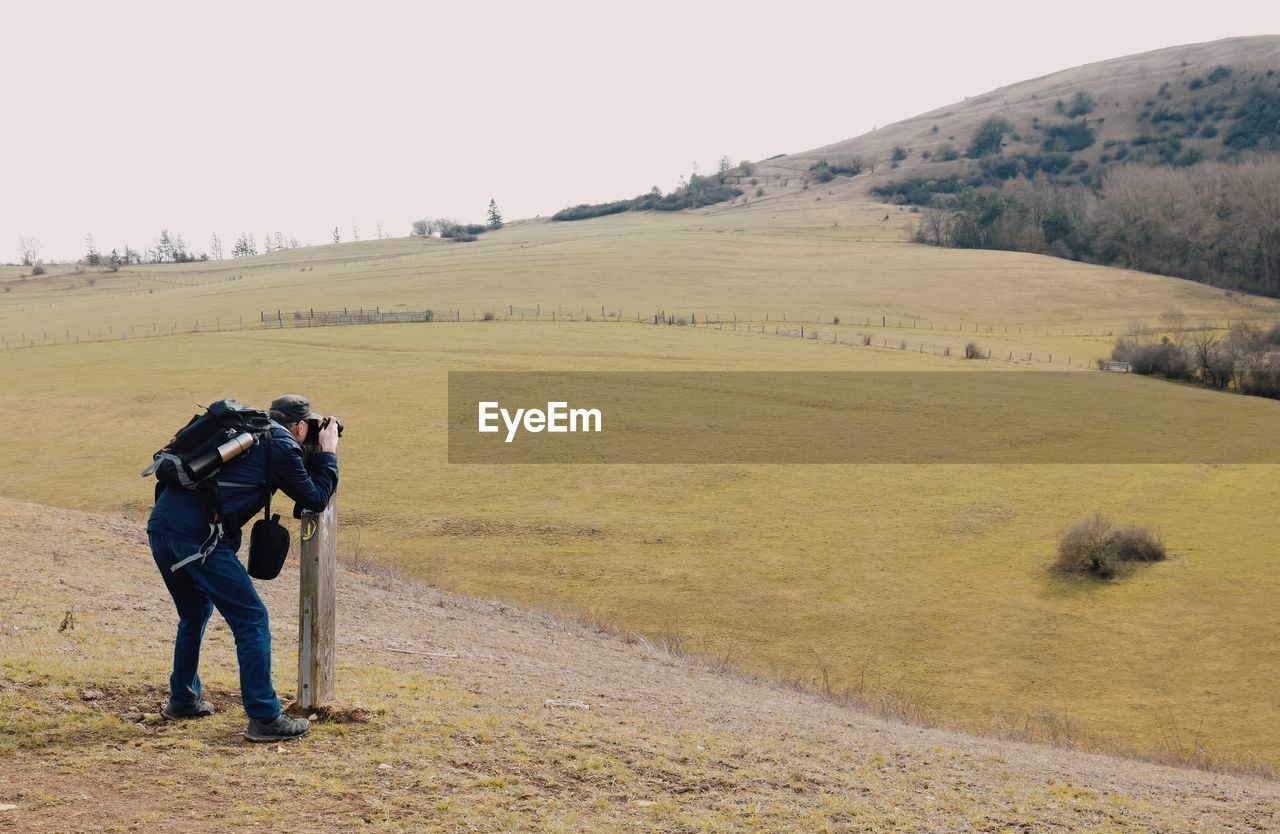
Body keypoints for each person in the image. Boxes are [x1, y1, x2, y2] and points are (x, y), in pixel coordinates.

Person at [147, 394, 340, 742]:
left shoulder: (249, 433)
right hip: (199, 539)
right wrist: (327, 452)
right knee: (252, 619)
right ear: (299, 426)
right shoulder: (281, 445)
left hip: (161, 528)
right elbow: (314, 496)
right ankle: (265, 717)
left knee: (194, 612)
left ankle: (183, 699)